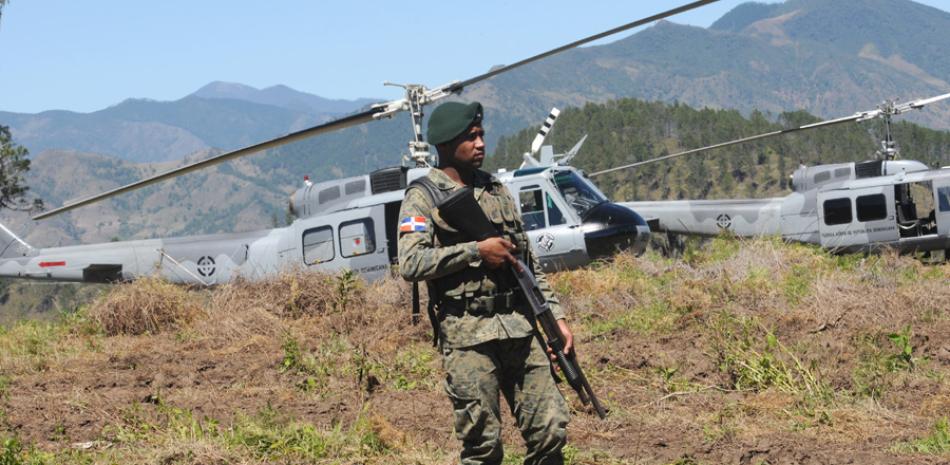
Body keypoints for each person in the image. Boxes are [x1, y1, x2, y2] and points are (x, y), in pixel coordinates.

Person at [398, 101, 573, 465]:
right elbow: (411, 262)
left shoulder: (496, 189)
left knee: (551, 429)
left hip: (520, 328)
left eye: (481, 135)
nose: (480, 143)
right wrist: (476, 251)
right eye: (471, 137)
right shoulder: (422, 197)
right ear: (445, 143)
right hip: (467, 335)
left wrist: (555, 317)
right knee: (483, 446)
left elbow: (528, 263)